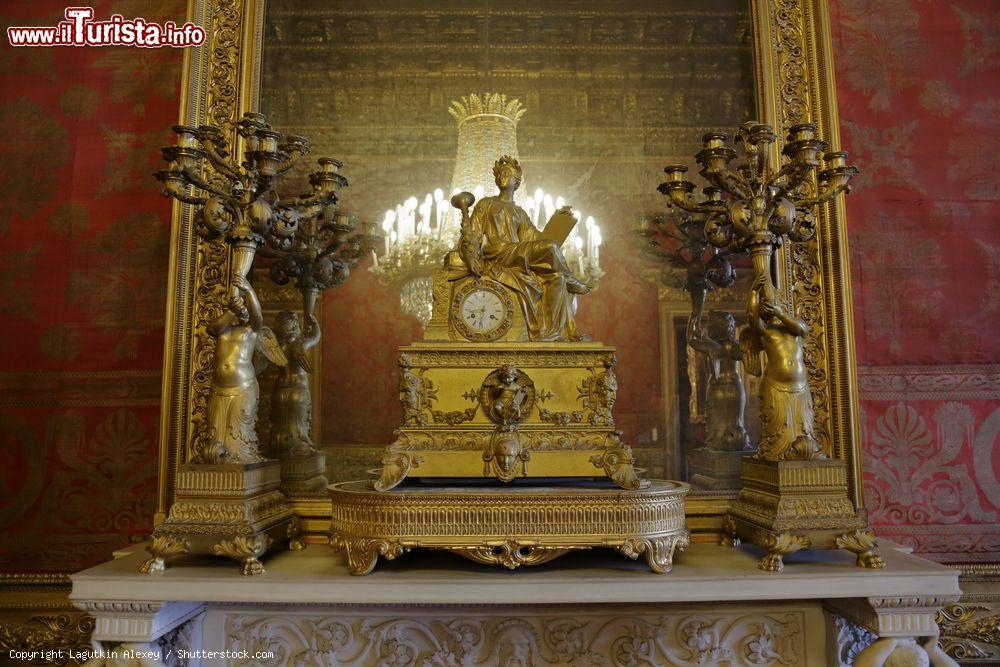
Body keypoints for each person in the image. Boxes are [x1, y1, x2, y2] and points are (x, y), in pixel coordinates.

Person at [456, 155, 590, 342]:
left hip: (518, 252)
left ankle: (551, 332)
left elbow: (538, 240)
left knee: (556, 278)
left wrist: (561, 219)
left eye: (507, 174)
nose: (502, 176)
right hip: (499, 252)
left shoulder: (520, 212)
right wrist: (471, 257)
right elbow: (472, 236)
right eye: (500, 173)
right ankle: (572, 280)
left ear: (516, 181)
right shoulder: (486, 204)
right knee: (550, 248)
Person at [200, 275, 285, 464]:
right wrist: (231, 311)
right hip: (219, 388)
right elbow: (212, 328)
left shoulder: (251, 331)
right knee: (216, 431)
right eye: (240, 309)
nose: (243, 310)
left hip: (243, 387)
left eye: (244, 308)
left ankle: (240, 458)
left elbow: (258, 317)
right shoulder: (224, 330)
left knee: (239, 431)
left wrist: (249, 291)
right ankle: (220, 459)